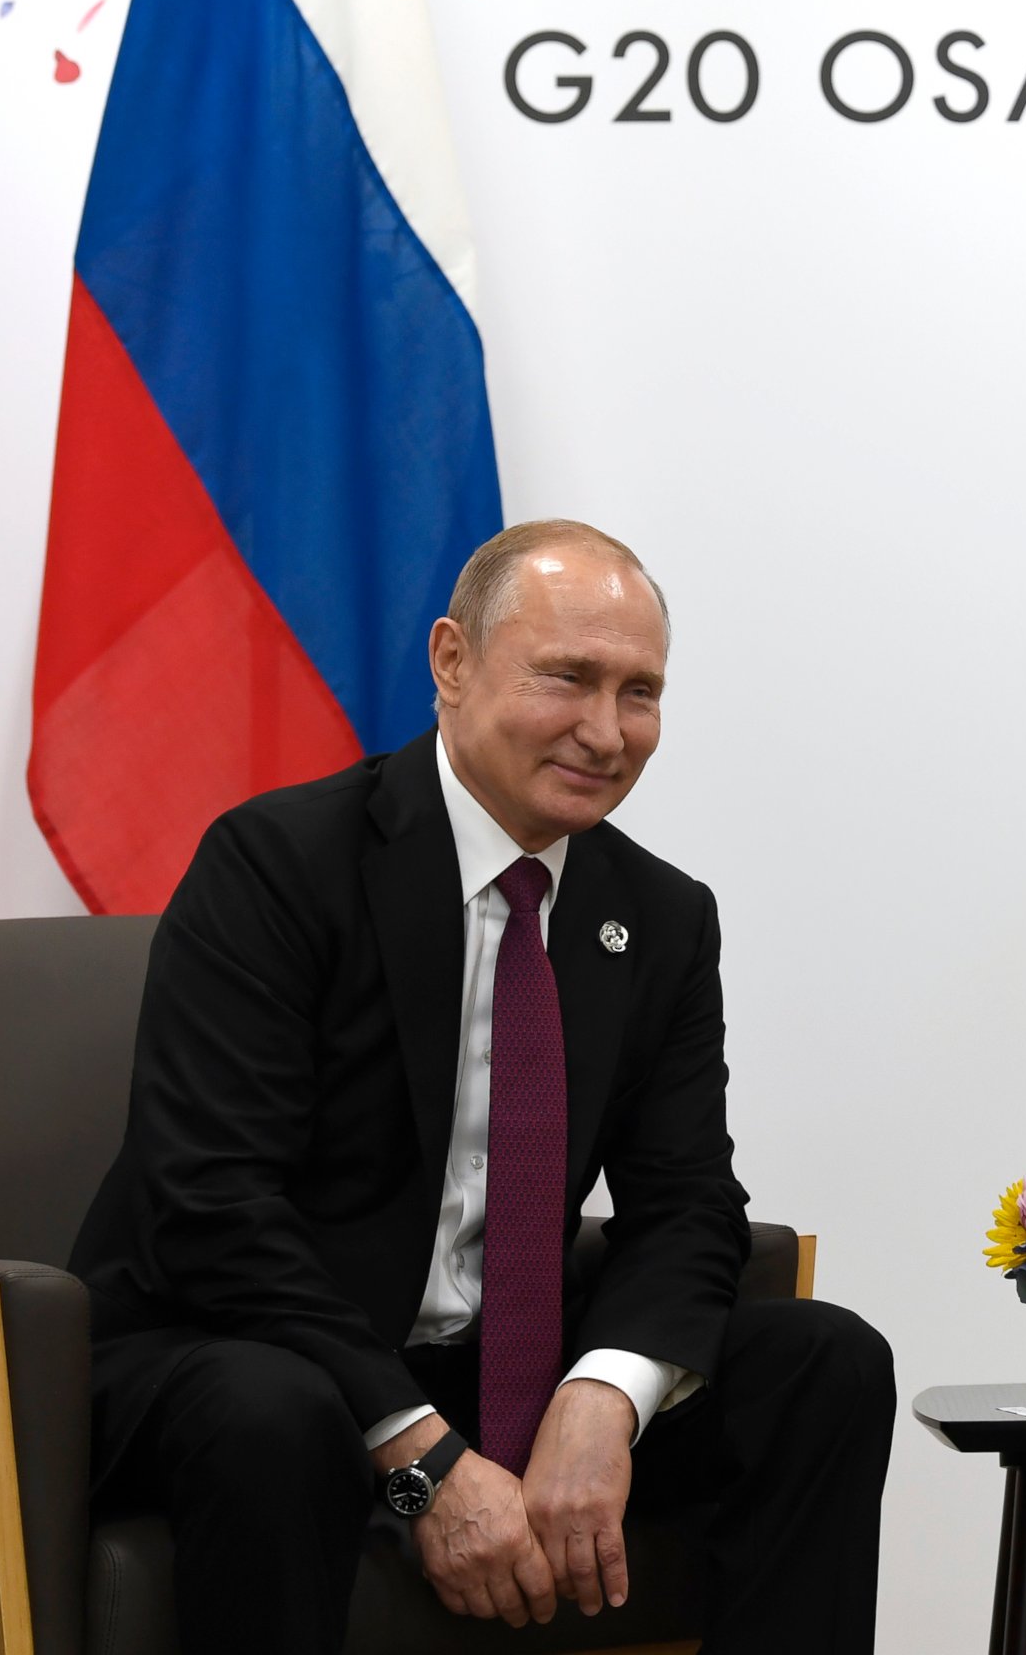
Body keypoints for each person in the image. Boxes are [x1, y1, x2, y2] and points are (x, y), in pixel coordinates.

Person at [71, 520, 894, 1654]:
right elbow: (208, 1209)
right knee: (281, 1413)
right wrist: (428, 1469)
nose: (607, 733)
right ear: (452, 663)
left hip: (493, 1379)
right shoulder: (278, 863)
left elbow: (691, 1204)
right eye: (569, 678)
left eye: (640, 693)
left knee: (824, 1363)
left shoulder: (658, 917)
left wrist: (604, 1403)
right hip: (238, 1360)